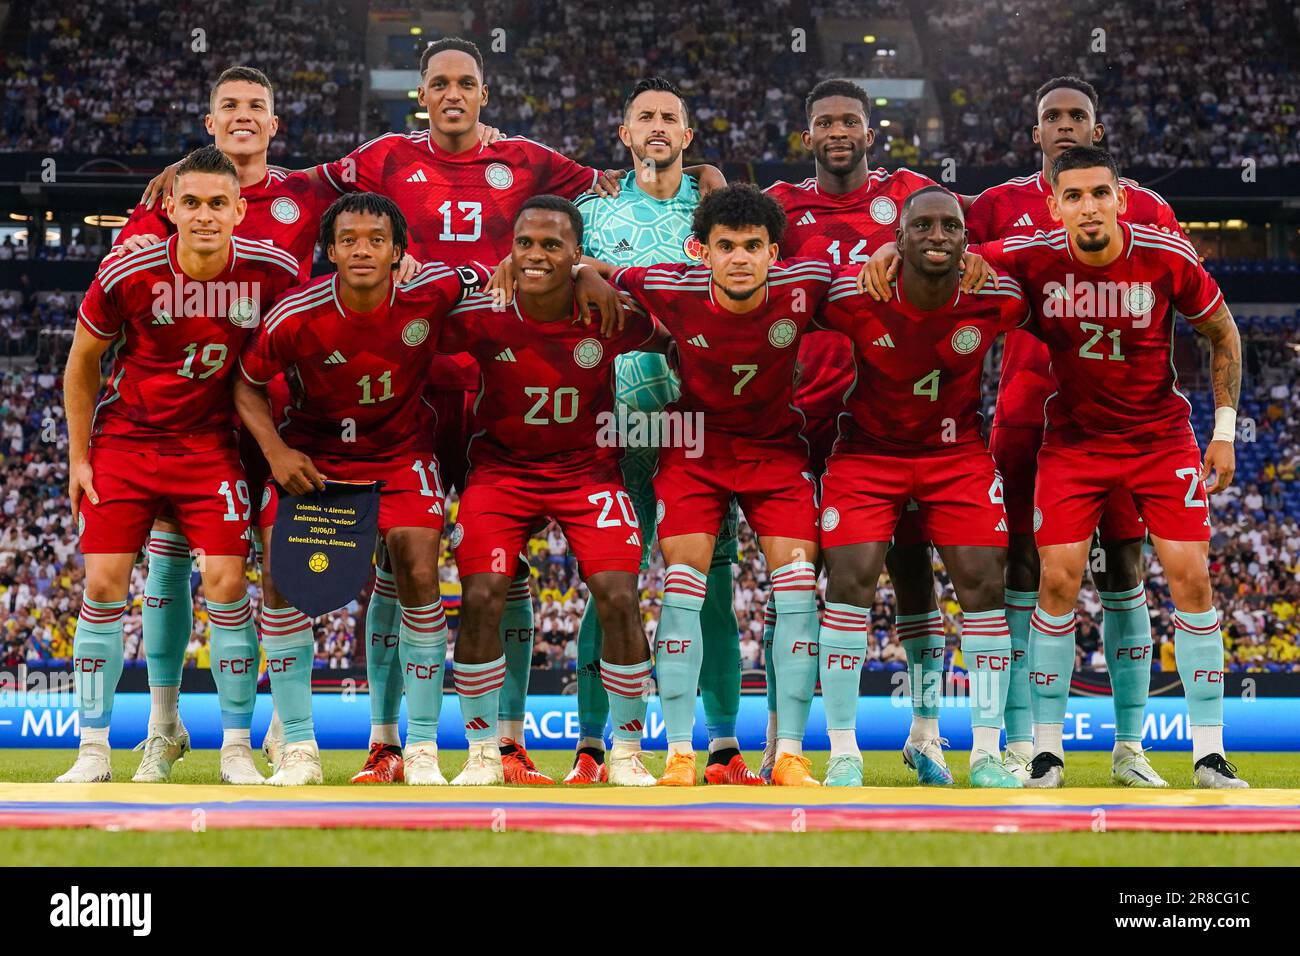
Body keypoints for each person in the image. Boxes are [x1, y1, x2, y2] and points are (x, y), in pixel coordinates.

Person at [974, 146, 1247, 789]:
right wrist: (887, 253)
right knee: (1058, 583)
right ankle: (1047, 753)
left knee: (1191, 582)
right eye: (1073, 196)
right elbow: (948, 261)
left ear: (1121, 198)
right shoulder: (1032, 256)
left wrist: (1226, 431)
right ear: (1054, 205)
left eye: (1100, 193)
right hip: (1073, 443)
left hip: (1159, 439)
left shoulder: (1166, 256)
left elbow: (1224, 334)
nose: (1088, 207)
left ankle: (1208, 755)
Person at [763, 79, 984, 784]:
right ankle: (786, 741)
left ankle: (926, 732)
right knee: (801, 583)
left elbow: (972, 233)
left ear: (869, 133)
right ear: (808, 136)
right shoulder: (781, 207)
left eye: (849, 122)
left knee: (917, 574)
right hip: (803, 420)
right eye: (824, 121)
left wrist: (953, 250)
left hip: (899, 417)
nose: (837, 132)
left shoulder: (914, 197)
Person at [233, 193, 491, 785]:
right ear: (329, 250)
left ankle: (421, 749)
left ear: (400, 250)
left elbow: (488, 271)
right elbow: (247, 386)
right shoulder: (295, 314)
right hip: (317, 463)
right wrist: (275, 453)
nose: (363, 249)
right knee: (281, 577)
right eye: (348, 239)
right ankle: (298, 746)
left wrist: (585, 275)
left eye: (377, 238)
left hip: (402, 456)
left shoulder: (432, 292)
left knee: (419, 571)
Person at [58, 145, 298, 784]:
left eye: (218, 203)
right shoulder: (126, 271)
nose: (204, 215)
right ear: (169, 207)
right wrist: (79, 458)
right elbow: (82, 362)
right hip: (127, 443)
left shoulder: (273, 272)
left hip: (208, 448)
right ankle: (93, 751)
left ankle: (237, 750)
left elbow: (304, 345)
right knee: (103, 586)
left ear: (240, 209)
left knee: (226, 586)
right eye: (190, 202)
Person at [596, 184, 835, 787]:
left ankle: (788, 756)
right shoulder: (669, 285)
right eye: (725, 246)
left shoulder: (807, 284)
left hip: (776, 453)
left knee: (799, 595)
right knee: (682, 592)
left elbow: (876, 270)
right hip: (695, 447)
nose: (739, 258)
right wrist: (575, 268)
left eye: (753, 246)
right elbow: (599, 269)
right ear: (702, 251)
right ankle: (680, 754)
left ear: (774, 253)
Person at [561, 77, 758, 786]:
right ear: (623, 134)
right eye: (642, 115)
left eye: (669, 117)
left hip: (698, 427)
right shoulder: (590, 209)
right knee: (610, 589)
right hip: (611, 424)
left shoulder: (714, 214)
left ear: (686, 136)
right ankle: (593, 747)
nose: (655, 127)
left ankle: (724, 748)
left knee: (706, 591)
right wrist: (582, 264)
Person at [437, 196, 667, 786]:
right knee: (483, 594)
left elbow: (675, 335)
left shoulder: (607, 311)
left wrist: (598, 274)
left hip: (586, 471)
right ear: (509, 250)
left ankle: (626, 753)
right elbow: (416, 335)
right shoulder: (484, 312)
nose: (537, 254)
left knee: (618, 595)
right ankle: (483, 753)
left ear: (575, 253)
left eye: (553, 245)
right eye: (525, 243)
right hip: (501, 472)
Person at [813, 186, 1026, 787]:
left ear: (966, 240)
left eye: (950, 227)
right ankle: (844, 751)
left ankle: (986, 751)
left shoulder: (995, 296)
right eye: (923, 226)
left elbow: (1047, 289)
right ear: (898, 238)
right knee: (850, 585)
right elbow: (785, 304)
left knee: (984, 588)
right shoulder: (855, 295)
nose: (937, 235)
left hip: (954, 453)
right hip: (867, 454)